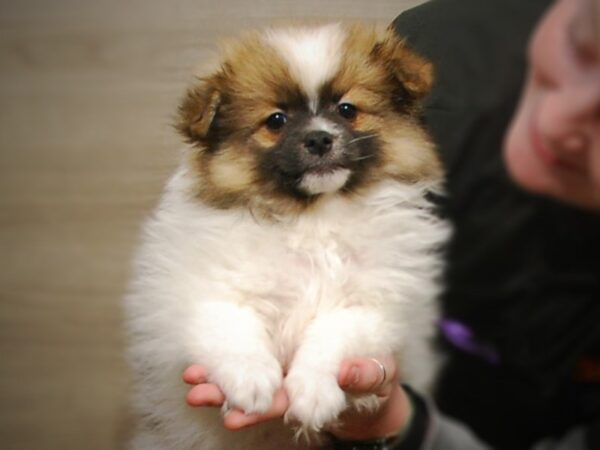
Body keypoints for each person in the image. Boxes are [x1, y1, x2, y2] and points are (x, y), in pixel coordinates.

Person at [182, 0, 600, 448]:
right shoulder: (440, 46)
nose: (560, 120)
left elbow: (381, 307)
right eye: (277, 122)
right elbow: (201, 301)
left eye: (346, 112)